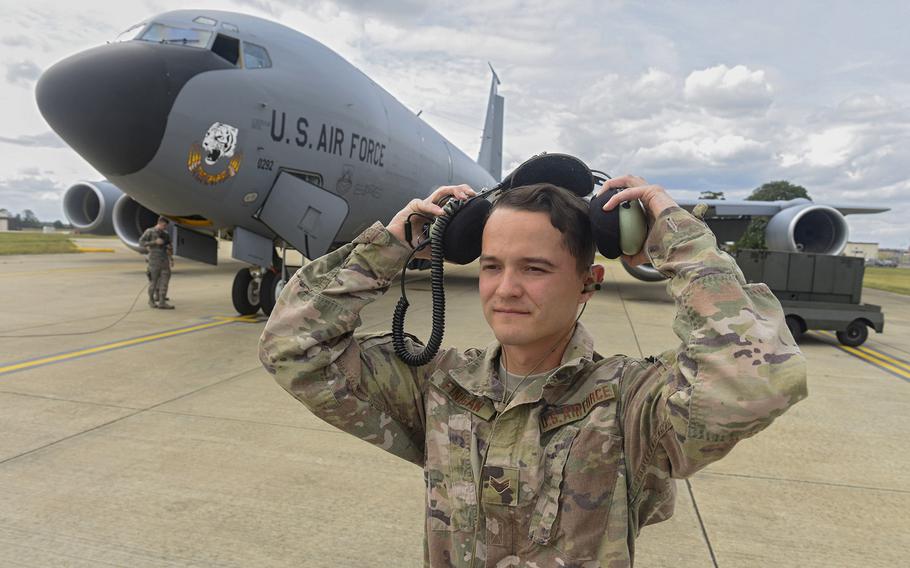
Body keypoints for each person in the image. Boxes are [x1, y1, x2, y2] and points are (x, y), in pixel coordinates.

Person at [259, 177, 808, 567]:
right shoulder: (439, 386)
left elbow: (754, 380)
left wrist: (674, 234)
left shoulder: (630, 405)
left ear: (589, 282)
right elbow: (292, 347)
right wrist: (391, 246)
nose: (506, 288)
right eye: (492, 266)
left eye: (535, 269)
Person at [139, 216, 175, 310]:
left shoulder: (166, 234)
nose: (165, 227)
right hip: (154, 261)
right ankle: (151, 300)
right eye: (163, 225)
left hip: (164, 261)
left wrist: (171, 259)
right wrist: (154, 242)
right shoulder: (149, 231)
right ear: (159, 222)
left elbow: (169, 246)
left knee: (164, 282)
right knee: (153, 282)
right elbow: (141, 242)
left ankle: (162, 302)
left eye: (166, 226)